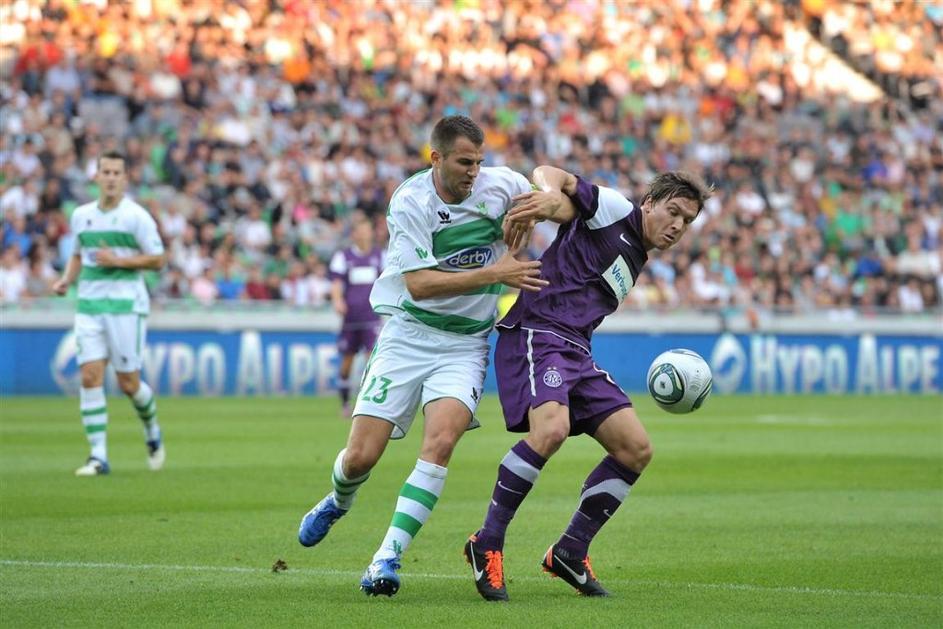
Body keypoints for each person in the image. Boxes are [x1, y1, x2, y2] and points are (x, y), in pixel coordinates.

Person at [296, 115, 547, 597]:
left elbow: (548, 196)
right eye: (464, 162)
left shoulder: (502, 185)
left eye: (479, 161)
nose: (474, 171)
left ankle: (386, 557)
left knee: (441, 443)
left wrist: (538, 208)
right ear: (436, 158)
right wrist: (495, 272)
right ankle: (338, 499)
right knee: (360, 457)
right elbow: (420, 285)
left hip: (465, 344)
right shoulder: (411, 201)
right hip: (408, 336)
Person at [464, 165, 712, 601]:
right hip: (538, 332)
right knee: (551, 430)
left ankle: (570, 551)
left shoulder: (637, 256)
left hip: (576, 351)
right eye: (673, 212)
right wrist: (547, 193)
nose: (677, 225)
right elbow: (552, 174)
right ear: (649, 203)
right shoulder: (614, 210)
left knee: (635, 449)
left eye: (687, 221)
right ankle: (487, 542)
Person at [52, 151, 167, 476]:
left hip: (125, 307)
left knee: (129, 383)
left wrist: (119, 261)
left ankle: (151, 428)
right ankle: (98, 456)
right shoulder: (82, 215)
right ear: (97, 177)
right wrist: (66, 279)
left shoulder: (137, 217)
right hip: (89, 305)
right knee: (90, 376)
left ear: (125, 178)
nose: (112, 178)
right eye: (106, 172)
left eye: (117, 172)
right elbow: (78, 254)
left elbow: (158, 259)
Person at [328, 216, 385, 416]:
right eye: (360, 231)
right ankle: (345, 403)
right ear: (354, 234)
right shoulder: (343, 257)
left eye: (367, 230)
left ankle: (369, 404)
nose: (364, 235)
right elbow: (336, 283)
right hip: (351, 318)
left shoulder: (380, 256)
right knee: (347, 361)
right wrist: (337, 300)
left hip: (371, 317)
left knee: (372, 360)